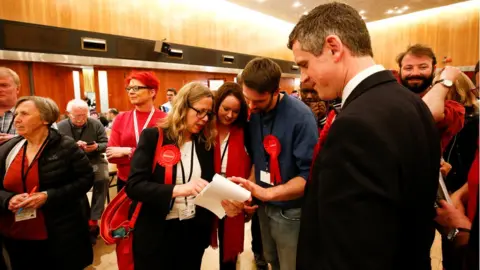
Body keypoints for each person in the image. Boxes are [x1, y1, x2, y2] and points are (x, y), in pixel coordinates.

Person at [287, 3, 440, 269]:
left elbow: (355, 251)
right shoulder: (412, 103)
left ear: (333, 48)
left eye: (304, 64)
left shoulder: (355, 125)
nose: (305, 78)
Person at [230, 57, 318, 270]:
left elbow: (309, 177)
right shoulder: (254, 114)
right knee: (271, 260)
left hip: (290, 211)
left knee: (291, 265)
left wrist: (269, 193)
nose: (251, 106)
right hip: (263, 207)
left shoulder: (301, 118)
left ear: (276, 90)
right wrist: (251, 191)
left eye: (258, 101)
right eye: (247, 99)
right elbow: (257, 160)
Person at [125, 82, 216, 270]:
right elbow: (134, 186)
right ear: (183, 106)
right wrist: (178, 189)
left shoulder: (205, 143)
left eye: (208, 113)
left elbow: (208, 185)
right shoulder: (153, 137)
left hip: (192, 232)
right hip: (157, 232)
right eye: (199, 111)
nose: (205, 118)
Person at [0, 96, 94, 269]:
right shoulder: (9, 148)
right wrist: (7, 199)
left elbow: (86, 180)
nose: (17, 119)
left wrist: (48, 196)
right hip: (16, 234)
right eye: (17, 114)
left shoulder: (66, 147)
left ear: (45, 119)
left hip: (58, 234)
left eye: (25, 114)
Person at [57, 99, 109, 245]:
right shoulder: (60, 127)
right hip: (71, 163)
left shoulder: (96, 124)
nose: (80, 119)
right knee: (76, 186)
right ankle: (82, 219)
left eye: (83, 115)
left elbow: (106, 143)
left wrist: (96, 146)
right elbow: (54, 146)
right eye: (76, 116)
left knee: (102, 178)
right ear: (68, 114)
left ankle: (93, 219)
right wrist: (72, 147)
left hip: (94, 159)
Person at [210, 82, 250, 270]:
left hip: (233, 192)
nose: (229, 115)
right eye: (226, 109)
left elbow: (255, 161)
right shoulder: (207, 126)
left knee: (229, 245)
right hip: (207, 189)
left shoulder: (245, 129)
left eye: (235, 111)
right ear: (217, 105)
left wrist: (248, 190)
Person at [397, 44, 465, 152]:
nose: (415, 73)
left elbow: (425, 114)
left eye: (423, 67)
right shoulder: (388, 94)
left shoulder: (452, 108)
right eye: (408, 68)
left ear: (434, 69)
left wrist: (446, 80)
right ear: (400, 70)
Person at [106, 71, 166, 193]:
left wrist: (127, 151)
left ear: (152, 92)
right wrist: (146, 155)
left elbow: (164, 156)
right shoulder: (121, 118)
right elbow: (111, 156)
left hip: (155, 183)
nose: (131, 92)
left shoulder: (165, 120)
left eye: (136, 88)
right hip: (126, 182)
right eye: (129, 88)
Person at [0, 67, 20, 145]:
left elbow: (51, 141)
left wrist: (15, 140)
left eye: (4, 85)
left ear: (17, 89)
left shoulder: (37, 112)